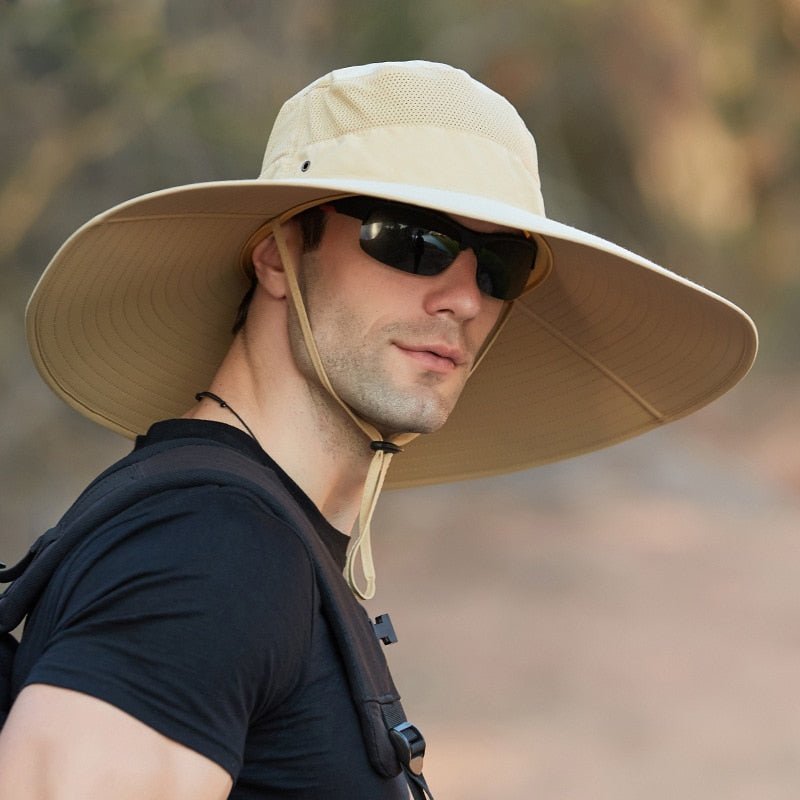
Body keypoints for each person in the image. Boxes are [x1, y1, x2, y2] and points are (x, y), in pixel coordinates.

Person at [0, 61, 756, 798]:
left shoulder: (251, 535)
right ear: (279, 254)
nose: (463, 297)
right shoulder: (209, 552)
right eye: (410, 238)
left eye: (500, 263)